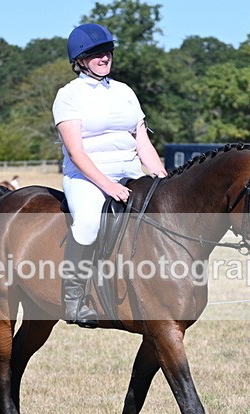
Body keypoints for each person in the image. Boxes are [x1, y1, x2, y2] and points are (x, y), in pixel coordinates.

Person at [52, 22, 167, 328]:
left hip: (130, 172)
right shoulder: (69, 96)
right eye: (95, 54)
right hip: (86, 178)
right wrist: (107, 185)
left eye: (107, 52)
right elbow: (76, 151)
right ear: (80, 60)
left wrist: (161, 177)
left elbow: (142, 141)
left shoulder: (124, 91)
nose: (104, 58)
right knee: (89, 224)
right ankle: (74, 298)